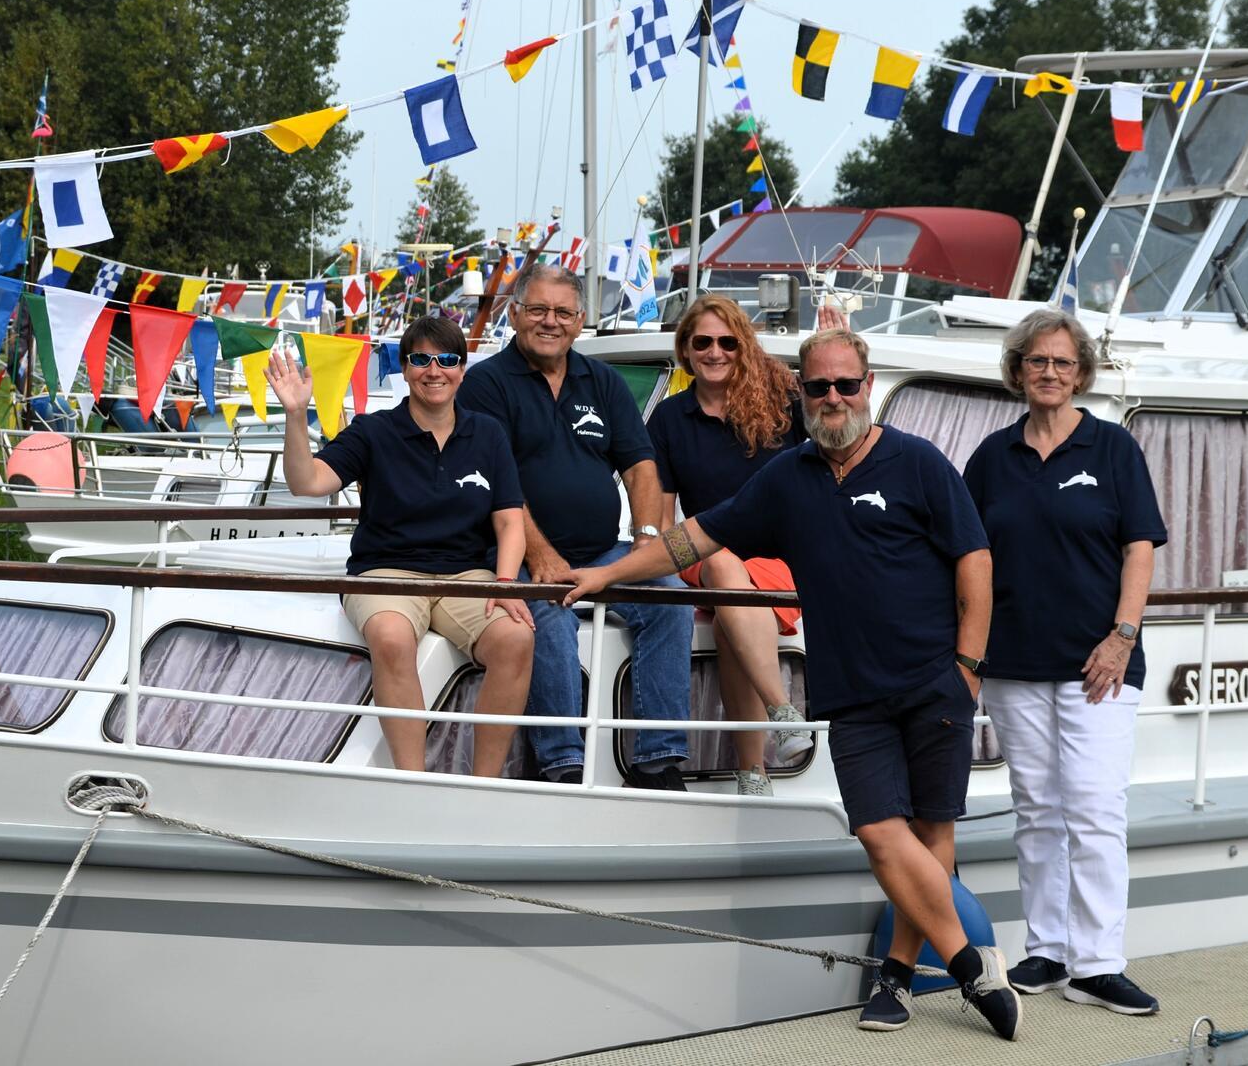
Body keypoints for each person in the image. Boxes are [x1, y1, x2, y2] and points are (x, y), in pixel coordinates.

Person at [561, 327, 1021, 1042]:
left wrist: (968, 665)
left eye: (846, 385)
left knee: (932, 832)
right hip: (851, 689)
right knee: (877, 833)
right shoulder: (787, 477)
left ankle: (897, 979)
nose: (833, 398)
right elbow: (695, 539)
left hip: (934, 678)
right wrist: (606, 572)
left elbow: (975, 562)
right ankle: (973, 968)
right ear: (799, 393)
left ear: (867, 386)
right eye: (818, 387)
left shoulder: (920, 463)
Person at [961, 308, 1168, 1016]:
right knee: (1038, 810)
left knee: (1095, 810)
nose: (1049, 373)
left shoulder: (1112, 449)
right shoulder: (991, 458)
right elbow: (969, 555)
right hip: (1014, 663)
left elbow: (1139, 547)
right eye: (1036, 361)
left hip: (1099, 663)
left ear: (1080, 372)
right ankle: (1047, 951)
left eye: (1062, 362)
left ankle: (1099, 962)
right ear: (1018, 370)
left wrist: (1123, 635)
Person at [456, 262, 693, 789]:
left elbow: (640, 466)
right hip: (513, 554)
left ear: (581, 320)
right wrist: (538, 556)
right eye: (537, 309)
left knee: (669, 597)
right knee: (551, 617)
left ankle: (659, 759)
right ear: (514, 314)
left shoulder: (601, 380)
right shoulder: (485, 384)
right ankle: (562, 763)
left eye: (563, 312)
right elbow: (499, 480)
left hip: (601, 550)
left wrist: (646, 543)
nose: (550, 321)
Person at [270, 315, 534, 778]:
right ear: (406, 369)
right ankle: (411, 781)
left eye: (447, 360)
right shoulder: (374, 431)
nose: (435, 370)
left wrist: (507, 583)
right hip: (385, 573)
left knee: (516, 639)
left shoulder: (488, 433)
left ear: (463, 369)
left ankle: (485, 784)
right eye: (421, 359)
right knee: (391, 639)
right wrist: (296, 415)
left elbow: (511, 521)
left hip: (466, 576)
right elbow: (307, 482)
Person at [646, 294, 814, 797]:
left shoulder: (782, 402)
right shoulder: (670, 419)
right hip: (703, 551)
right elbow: (660, 512)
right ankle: (781, 709)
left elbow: (829, 463)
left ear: (743, 346)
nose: (715, 352)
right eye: (703, 342)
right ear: (686, 350)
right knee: (718, 560)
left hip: (777, 555)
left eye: (727, 342)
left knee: (731, 622)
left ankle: (752, 770)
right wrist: (656, 564)